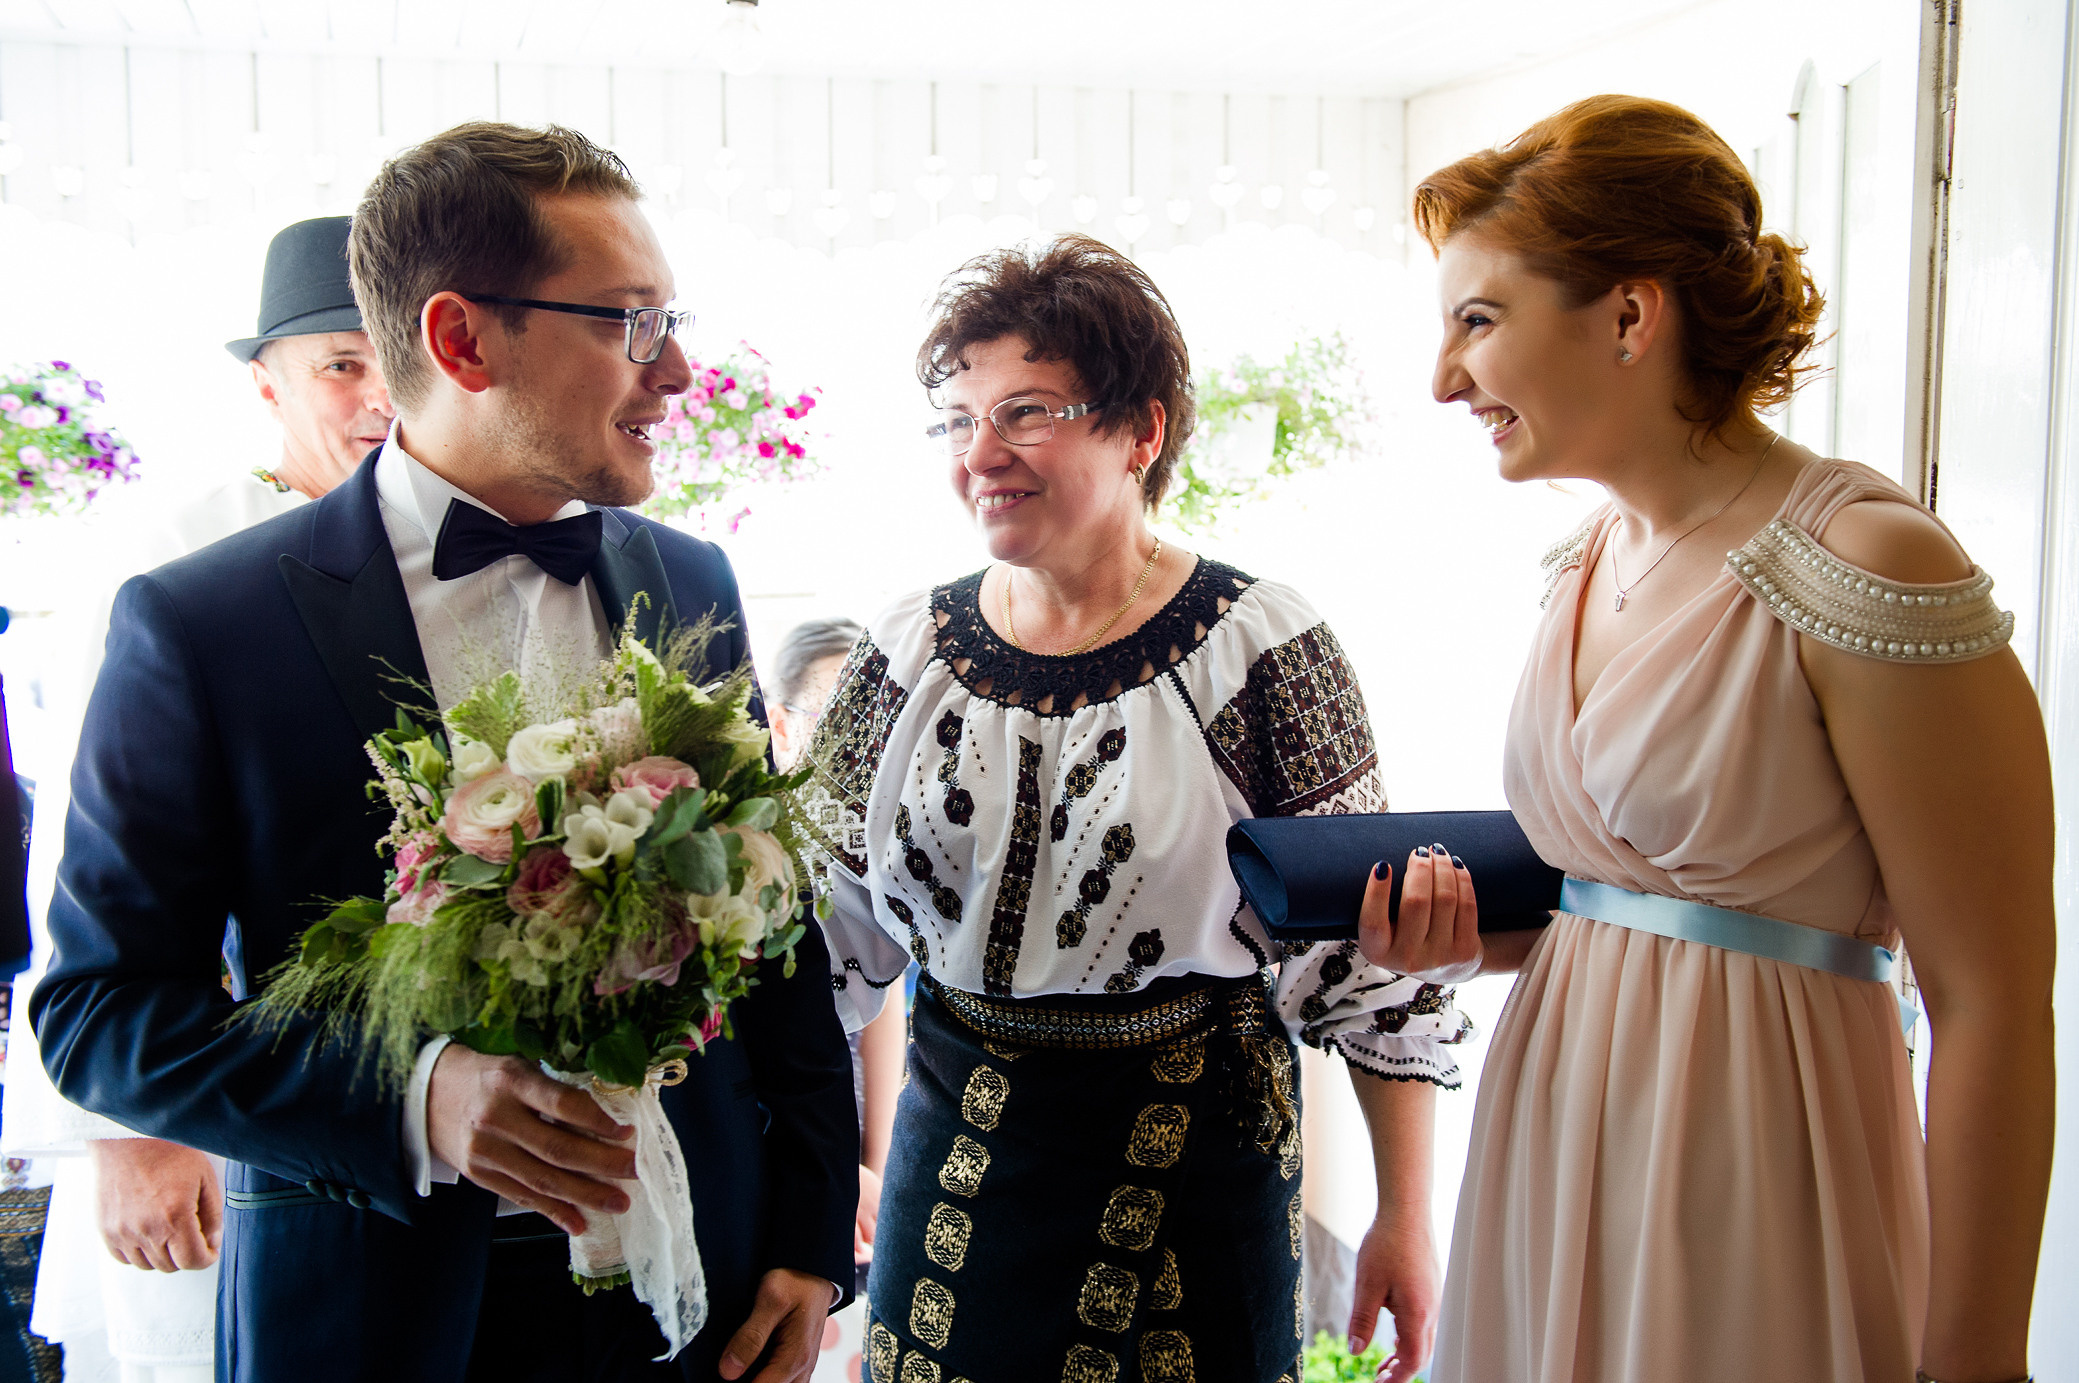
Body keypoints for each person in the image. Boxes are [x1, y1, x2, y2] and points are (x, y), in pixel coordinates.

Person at [31, 122, 856, 1383]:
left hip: (699, 1281)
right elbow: (102, 1014)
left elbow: (772, 921)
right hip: (380, 1306)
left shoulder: (690, 577)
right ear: (464, 339)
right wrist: (419, 1099)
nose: (680, 369)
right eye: (629, 322)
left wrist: (805, 1238)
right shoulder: (203, 625)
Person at [1364, 95, 2055, 1383]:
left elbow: (1994, 1001)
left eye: (1478, 320)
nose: (1445, 379)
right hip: (1552, 1142)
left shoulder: (1862, 563)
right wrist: (1472, 938)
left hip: (1760, 1173)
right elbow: (1662, 903)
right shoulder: (1585, 559)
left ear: (1630, 316)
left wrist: (1978, 1360)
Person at [801, 235, 1469, 1383]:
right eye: (958, 421)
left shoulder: (1263, 647)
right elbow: (813, 944)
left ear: (1142, 432)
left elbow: (1368, 972)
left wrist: (1406, 1215)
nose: (983, 453)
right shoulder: (902, 648)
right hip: (954, 1173)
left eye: (1027, 412)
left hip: (1190, 1182)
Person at [3, 213, 393, 1383]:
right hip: (202, 1094)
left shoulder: (436, 542)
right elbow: (85, 861)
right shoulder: (172, 567)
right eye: (340, 364)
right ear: (268, 385)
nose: (379, 395)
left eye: (393, 359)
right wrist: (129, 1131)